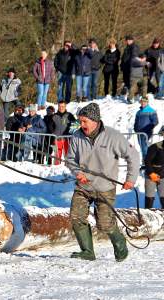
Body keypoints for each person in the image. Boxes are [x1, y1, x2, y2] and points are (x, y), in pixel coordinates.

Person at [66, 103, 139, 262]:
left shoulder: (113, 136)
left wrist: (130, 179)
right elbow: (70, 159)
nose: (82, 125)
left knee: (104, 224)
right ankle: (87, 251)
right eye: (80, 121)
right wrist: (77, 172)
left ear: (95, 120)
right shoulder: (77, 136)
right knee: (76, 217)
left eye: (85, 121)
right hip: (83, 186)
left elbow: (133, 156)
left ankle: (120, 243)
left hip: (105, 187)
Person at [144, 126, 164, 209]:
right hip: (151, 175)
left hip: (163, 175)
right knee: (149, 198)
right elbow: (147, 161)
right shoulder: (155, 147)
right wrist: (151, 173)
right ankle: (147, 216)